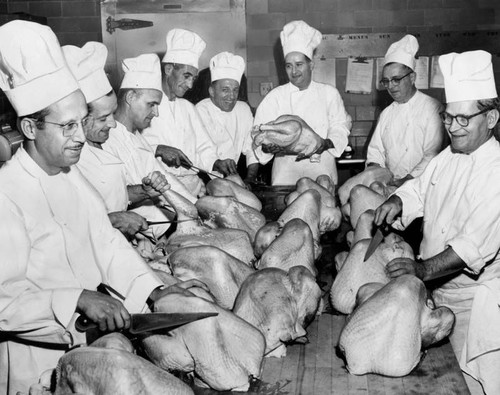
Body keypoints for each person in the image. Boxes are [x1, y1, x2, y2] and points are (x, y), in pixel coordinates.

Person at [0, 21, 204, 395]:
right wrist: (75, 298)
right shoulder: (6, 194)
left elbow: (106, 242)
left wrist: (153, 291)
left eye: (82, 122)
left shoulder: (69, 176)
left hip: (91, 347)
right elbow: (3, 299)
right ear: (29, 128)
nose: (81, 136)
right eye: (67, 126)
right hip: (36, 362)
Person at [374, 50, 500, 395]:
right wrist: (400, 200)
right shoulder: (450, 155)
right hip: (438, 290)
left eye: (464, 120)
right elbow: (420, 188)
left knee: (473, 383)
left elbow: (469, 248)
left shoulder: (496, 172)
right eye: (448, 118)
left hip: (474, 303)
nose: (453, 128)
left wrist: (421, 270)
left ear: (491, 118)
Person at [63, 42, 172, 242]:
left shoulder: (97, 143)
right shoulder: (66, 159)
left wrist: (143, 191)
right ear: (79, 117)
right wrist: (112, 220)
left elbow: (112, 194)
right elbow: (65, 225)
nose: (113, 124)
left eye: (112, 114)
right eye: (104, 118)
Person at [250, 20, 351, 186]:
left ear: (311, 65)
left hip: (322, 171)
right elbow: (258, 133)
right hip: (285, 175)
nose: (294, 71)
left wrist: (323, 144)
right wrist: (268, 147)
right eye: (289, 66)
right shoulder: (275, 97)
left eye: (299, 65)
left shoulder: (328, 93)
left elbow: (340, 127)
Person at [141, 29, 238, 196]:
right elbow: (130, 148)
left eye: (193, 78)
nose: (190, 85)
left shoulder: (188, 108)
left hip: (192, 188)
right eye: (186, 76)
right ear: (169, 69)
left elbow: (204, 147)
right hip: (160, 192)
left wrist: (216, 163)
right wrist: (158, 148)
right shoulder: (145, 105)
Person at [101, 53, 197, 206]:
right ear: (131, 97)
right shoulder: (107, 140)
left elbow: (167, 179)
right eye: (151, 104)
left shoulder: (138, 138)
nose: (156, 113)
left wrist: (195, 204)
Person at [366, 34, 446, 187]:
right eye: (386, 81)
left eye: (396, 79)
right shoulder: (386, 114)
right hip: (391, 185)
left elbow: (432, 154)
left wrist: (406, 181)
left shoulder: (432, 108)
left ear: (412, 77)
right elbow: (375, 152)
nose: (391, 86)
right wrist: (376, 172)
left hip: (423, 185)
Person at [195, 52, 257, 184]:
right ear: (212, 91)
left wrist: (250, 178)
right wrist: (217, 163)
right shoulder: (200, 111)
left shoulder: (243, 109)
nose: (231, 96)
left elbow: (252, 147)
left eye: (235, 90)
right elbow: (201, 151)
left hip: (233, 178)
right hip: (203, 178)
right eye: (225, 90)